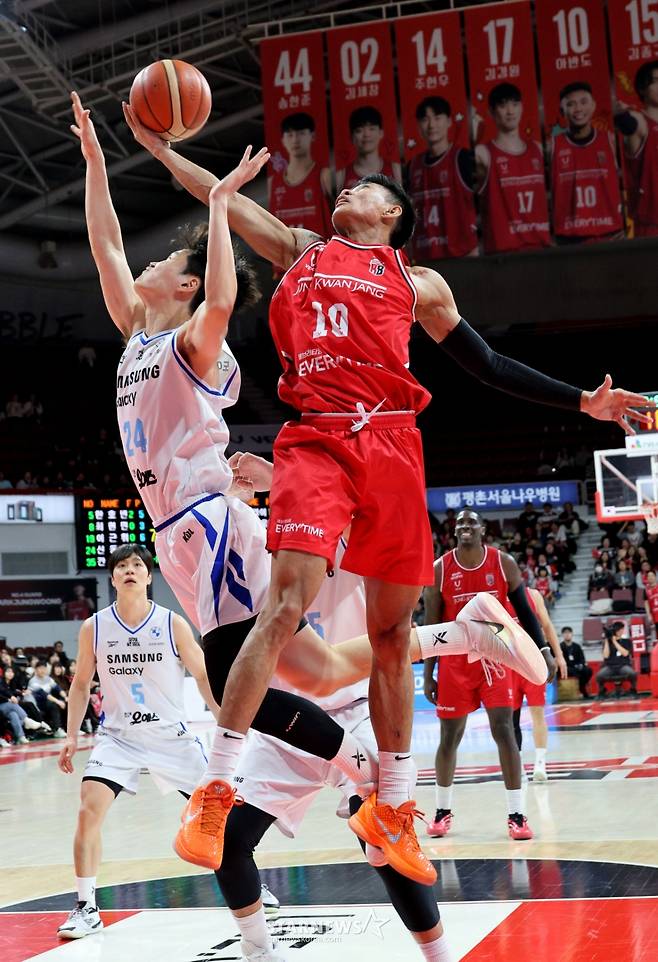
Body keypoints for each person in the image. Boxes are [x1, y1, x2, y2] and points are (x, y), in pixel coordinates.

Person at [123, 98, 650, 882]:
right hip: (317, 438)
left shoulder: (419, 282)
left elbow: (488, 365)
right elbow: (219, 199)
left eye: (364, 190)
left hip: (395, 443)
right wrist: (161, 151)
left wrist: (583, 401)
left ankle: (399, 808)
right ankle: (215, 791)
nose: (346, 193)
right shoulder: (303, 249)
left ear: (392, 216)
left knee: (393, 635)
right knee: (285, 605)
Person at [56, 544, 221, 940]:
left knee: (219, 814)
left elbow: (202, 676)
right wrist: (72, 734)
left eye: (137, 566)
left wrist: (226, 723)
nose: (130, 571)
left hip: (171, 737)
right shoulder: (94, 627)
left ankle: (250, 883)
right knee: (87, 810)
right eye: (122, 566)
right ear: (112, 578)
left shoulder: (171, 623)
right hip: (118, 738)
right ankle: (86, 907)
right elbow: (80, 684)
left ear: (149, 576)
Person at [423, 510, 556, 841]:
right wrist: (428, 673)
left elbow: (526, 611)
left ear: (482, 529)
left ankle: (517, 815)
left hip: (496, 660)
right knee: (449, 738)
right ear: (454, 533)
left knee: (504, 732)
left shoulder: (503, 563)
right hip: (455, 663)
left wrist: (544, 651)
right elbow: (430, 626)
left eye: (471, 523)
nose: (465, 527)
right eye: (460, 525)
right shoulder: (440, 570)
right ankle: (442, 811)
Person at [474, 83, 550, 254]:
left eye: (515, 104)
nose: (510, 111)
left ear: (522, 108)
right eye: (503, 105)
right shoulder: (483, 153)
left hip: (540, 249)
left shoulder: (537, 149)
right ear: (492, 112)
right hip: (503, 254)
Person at [551, 81, 624, 244]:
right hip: (570, 239)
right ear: (562, 111)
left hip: (610, 235)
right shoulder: (553, 146)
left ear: (593, 106)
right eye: (571, 104)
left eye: (584, 102)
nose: (578, 109)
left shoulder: (610, 140)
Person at [406, 96, 477, 261]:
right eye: (425, 119)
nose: (431, 125)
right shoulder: (413, 166)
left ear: (449, 121)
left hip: (462, 256)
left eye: (437, 118)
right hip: (427, 259)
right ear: (418, 126)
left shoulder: (463, 157)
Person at [512, 587, 567, 782]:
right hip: (509, 663)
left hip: (534, 661)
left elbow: (547, 625)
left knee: (537, 713)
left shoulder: (532, 595)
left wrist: (559, 656)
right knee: (511, 720)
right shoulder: (495, 595)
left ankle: (540, 763)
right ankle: (516, 766)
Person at [268, 112, 333, 236]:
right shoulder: (274, 182)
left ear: (312, 136)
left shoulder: (323, 174)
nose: (295, 140)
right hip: (285, 252)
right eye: (290, 134)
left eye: (301, 133)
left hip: (318, 251)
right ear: (283, 139)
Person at [614, 60, 658, 236]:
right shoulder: (641, 121)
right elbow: (628, 124)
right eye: (656, 80)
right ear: (642, 89)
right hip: (652, 226)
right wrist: (622, 115)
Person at [335, 105, 401, 192]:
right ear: (351, 137)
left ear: (381, 133)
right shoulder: (341, 175)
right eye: (359, 130)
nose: (366, 134)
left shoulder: (396, 169)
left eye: (372, 128)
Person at [595, 622, 638, 699]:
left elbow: (625, 653)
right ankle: (602, 691)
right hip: (610, 666)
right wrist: (607, 641)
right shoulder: (607, 642)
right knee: (599, 676)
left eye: (621, 630)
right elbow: (605, 655)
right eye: (618, 630)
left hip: (623, 665)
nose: (619, 632)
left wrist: (615, 642)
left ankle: (633, 690)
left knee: (632, 674)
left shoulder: (626, 641)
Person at [28, 661, 66, 736]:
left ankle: (69, 728)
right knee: (53, 704)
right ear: (36, 669)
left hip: (48, 701)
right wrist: (58, 701)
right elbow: (44, 694)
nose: (42, 670)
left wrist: (65, 697)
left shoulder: (48, 679)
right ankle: (57, 730)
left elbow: (58, 688)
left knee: (66, 703)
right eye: (40, 668)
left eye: (44, 668)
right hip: (38, 704)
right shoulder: (33, 681)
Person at [560, 626, 592, 698]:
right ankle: (582, 689)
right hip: (567, 667)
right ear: (562, 635)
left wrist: (581, 664)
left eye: (569, 633)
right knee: (574, 672)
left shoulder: (577, 646)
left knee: (588, 670)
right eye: (565, 633)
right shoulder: (560, 646)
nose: (567, 634)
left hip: (577, 666)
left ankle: (582, 686)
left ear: (572, 634)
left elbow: (582, 658)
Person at [644, 569, 658, 637]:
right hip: (655, 615)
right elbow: (646, 602)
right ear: (647, 579)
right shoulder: (646, 590)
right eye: (648, 576)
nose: (650, 577)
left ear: (655, 577)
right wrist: (648, 614)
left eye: (652, 575)